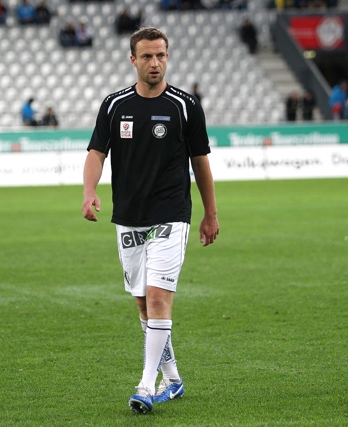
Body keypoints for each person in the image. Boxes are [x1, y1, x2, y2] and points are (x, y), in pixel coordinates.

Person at [82, 27, 219, 415]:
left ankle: (146, 385)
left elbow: (201, 163)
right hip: (128, 217)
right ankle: (173, 378)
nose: (155, 62)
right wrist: (89, 190)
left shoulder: (185, 106)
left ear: (167, 57)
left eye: (161, 55)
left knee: (159, 299)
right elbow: (96, 152)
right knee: (143, 304)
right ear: (133, 60)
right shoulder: (114, 105)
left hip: (172, 214)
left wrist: (210, 213)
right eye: (147, 56)